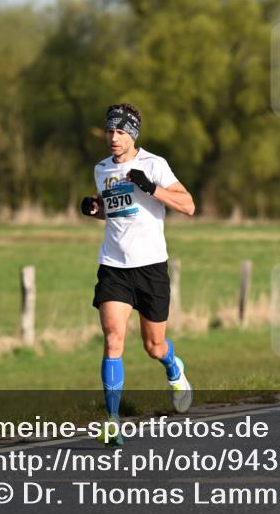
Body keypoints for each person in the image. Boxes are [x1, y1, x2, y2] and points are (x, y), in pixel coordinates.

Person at [81, 103, 196, 445]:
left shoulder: (153, 164)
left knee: (153, 345)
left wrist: (151, 187)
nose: (113, 138)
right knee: (113, 339)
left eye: (120, 131)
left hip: (150, 267)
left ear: (133, 135)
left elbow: (188, 205)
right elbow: (116, 212)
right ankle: (112, 419)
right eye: (109, 131)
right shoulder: (101, 169)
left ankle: (174, 369)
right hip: (114, 266)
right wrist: (94, 210)